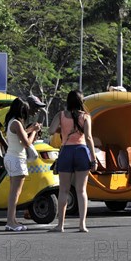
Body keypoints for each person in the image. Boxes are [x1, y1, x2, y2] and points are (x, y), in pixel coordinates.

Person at [48, 90, 96, 233]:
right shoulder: (86, 117)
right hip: (81, 151)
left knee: (63, 190)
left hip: (66, 152)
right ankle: (82, 225)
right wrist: (93, 159)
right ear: (82, 102)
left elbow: (50, 131)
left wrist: (62, 129)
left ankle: (60, 225)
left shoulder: (61, 115)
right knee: (81, 190)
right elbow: (88, 138)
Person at [3, 98, 42, 231]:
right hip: (16, 159)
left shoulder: (11, 122)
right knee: (15, 193)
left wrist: (31, 129)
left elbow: (21, 135)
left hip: (11, 157)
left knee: (13, 192)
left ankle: (12, 220)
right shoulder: (17, 123)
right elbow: (26, 143)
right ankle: (10, 221)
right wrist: (35, 131)